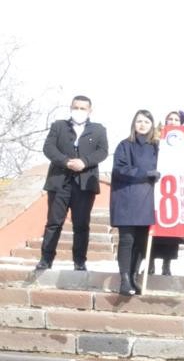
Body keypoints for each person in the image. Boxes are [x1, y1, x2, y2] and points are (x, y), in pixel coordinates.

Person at [37, 95, 109, 271]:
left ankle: (79, 261)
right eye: (76, 107)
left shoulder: (98, 130)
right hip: (60, 181)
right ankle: (46, 259)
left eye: (83, 108)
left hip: (84, 183)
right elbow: (48, 148)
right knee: (54, 222)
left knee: (81, 224)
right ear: (70, 108)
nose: (79, 111)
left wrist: (84, 162)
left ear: (90, 110)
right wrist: (65, 161)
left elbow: (103, 151)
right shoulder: (58, 126)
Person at [109, 110, 160, 295]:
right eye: (139, 121)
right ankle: (124, 280)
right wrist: (143, 174)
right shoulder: (125, 145)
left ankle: (134, 276)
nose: (142, 124)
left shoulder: (157, 146)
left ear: (152, 125)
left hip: (147, 199)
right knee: (127, 240)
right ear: (134, 124)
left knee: (140, 242)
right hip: (127, 197)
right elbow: (119, 170)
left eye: (146, 121)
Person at [149, 110, 184, 276]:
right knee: (151, 228)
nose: (172, 121)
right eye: (169, 119)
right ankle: (150, 265)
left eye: (176, 119)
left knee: (170, 231)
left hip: (174, 190)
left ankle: (167, 265)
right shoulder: (154, 140)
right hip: (155, 188)